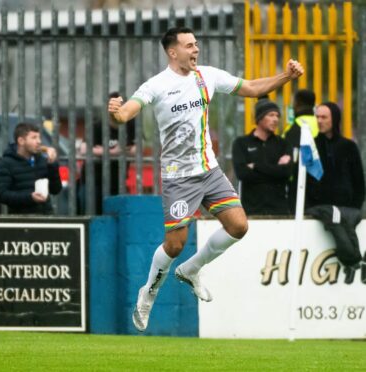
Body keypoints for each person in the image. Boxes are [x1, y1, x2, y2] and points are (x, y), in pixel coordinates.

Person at [107, 27, 303, 332]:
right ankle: (148, 294)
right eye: (189, 46)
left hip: (208, 170)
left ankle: (192, 269)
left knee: (239, 225)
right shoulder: (157, 85)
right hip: (178, 177)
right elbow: (129, 111)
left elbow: (251, 88)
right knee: (175, 245)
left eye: (196, 44)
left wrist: (285, 77)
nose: (195, 50)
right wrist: (116, 114)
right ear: (173, 52)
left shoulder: (207, 75)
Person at [305, 102, 365, 282]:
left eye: (324, 117)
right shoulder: (311, 146)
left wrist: (356, 205)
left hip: (348, 208)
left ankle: (353, 260)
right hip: (321, 208)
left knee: (345, 227)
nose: (319, 120)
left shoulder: (348, 146)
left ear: (334, 119)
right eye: (318, 117)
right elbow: (305, 179)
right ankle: (353, 260)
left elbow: (358, 180)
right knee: (335, 221)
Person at [78, 92, 136, 214]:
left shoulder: (130, 125)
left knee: (119, 217)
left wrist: (100, 151)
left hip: (118, 182)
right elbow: (83, 149)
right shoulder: (97, 126)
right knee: (91, 216)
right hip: (93, 181)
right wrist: (113, 152)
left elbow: (137, 149)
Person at [232, 98, 292, 216]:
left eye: (277, 116)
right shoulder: (241, 143)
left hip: (279, 212)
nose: (275, 119)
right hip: (251, 212)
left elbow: (286, 173)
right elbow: (242, 174)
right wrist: (275, 170)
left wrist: (256, 166)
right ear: (259, 118)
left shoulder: (283, 144)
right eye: (271, 115)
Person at [0, 122, 62, 214]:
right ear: (21, 141)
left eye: (39, 137)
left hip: (45, 217)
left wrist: (52, 164)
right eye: (34, 137)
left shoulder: (42, 161)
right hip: (21, 219)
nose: (39, 141)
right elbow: (1, 194)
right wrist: (30, 197)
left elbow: (55, 190)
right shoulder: (6, 163)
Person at [283, 89, 317, 211]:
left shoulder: (294, 128)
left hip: (299, 184)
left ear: (296, 103)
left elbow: (290, 157)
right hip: (320, 179)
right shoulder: (321, 123)